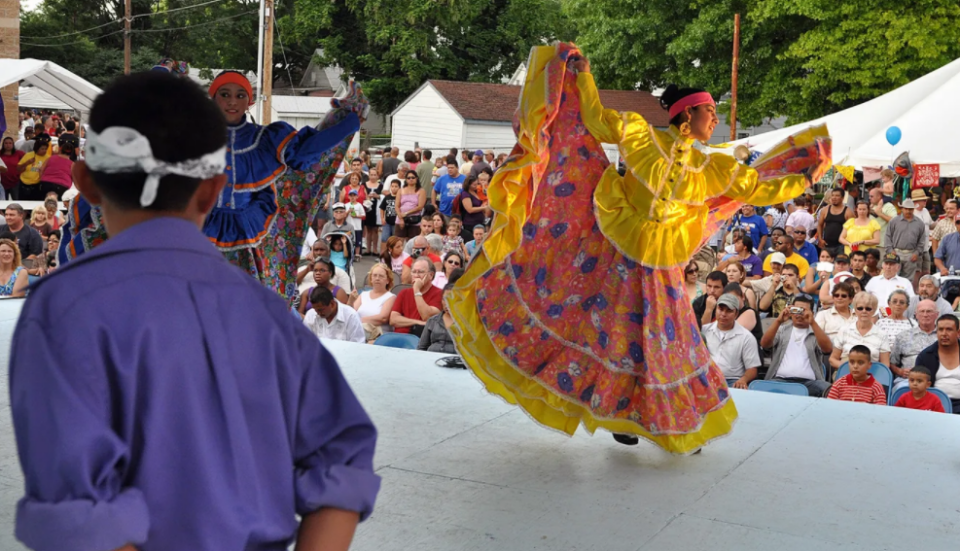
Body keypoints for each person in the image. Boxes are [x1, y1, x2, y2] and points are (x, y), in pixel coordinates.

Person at [10, 72, 378, 551]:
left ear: (86, 183)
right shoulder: (266, 311)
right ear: (213, 190)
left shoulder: (63, 308)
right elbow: (343, 459)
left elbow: (82, 512)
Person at [446, 45, 827, 453]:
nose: (715, 118)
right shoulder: (638, 133)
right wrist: (584, 75)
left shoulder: (715, 166)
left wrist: (806, 167)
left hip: (661, 263)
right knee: (611, 336)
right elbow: (594, 117)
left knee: (669, 342)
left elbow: (760, 185)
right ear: (687, 115)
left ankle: (669, 424)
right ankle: (623, 415)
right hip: (616, 249)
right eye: (709, 111)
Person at [760, 295, 832, 397]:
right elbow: (764, 344)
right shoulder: (781, 329)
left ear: (812, 313)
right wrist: (778, 321)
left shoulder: (816, 332)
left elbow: (827, 349)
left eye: (803, 310)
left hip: (809, 383)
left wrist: (812, 322)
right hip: (780, 380)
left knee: (829, 390)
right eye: (796, 310)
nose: (799, 314)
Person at [702, 293, 761, 389]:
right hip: (707, 379)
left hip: (732, 381)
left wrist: (743, 379)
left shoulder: (746, 337)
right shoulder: (705, 331)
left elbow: (752, 369)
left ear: (736, 314)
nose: (723, 314)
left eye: (729, 311)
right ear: (716, 309)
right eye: (720, 309)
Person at [829, 292, 890, 372]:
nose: (864, 311)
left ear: (874, 310)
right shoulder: (844, 330)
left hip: (872, 375)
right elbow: (833, 359)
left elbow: (885, 364)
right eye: (860, 308)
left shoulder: (882, 334)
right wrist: (851, 369)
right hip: (846, 374)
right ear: (855, 309)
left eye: (868, 308)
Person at [913, 314, 960, 412]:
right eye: (940, 329)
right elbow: (918, 385)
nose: (944, 333)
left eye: (949, 329)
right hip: (934, 405)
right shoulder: (925, 356)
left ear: (958, 332)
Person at [891, 299, 940, 391]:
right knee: (901, 390)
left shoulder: (943, 336)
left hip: (936, 381)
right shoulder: (903, 336)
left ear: (937, 314)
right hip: (908, 381)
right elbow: (892, 362)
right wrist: (900, 371)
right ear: (916, 314)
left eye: (929, 311)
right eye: (922, 311)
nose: (925, 315)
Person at [390, 256, 443, 335]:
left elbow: (426, 316)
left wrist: (417, 290)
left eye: (421, 272)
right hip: (399, 337)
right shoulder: (404, 293)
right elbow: (393, 320)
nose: (416, 275)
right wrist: (417, 322)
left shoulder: (439, 293)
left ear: (431, 275)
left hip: (420, 339)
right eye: (414, 272)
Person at [351, 263, 396, 342]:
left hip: (378, 336)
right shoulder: (363, 294)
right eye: (374, 275)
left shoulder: (391, 297)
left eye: (381, 276)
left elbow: (383, 318)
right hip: (359, 330)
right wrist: (351, 299)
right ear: (371, 279)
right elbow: (351, 313)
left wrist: (358, 320)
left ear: (388, 280)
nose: (377, 278)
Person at [884, 198, 926, 282]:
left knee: (908, 280)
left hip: (911, 253)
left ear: (913, 209)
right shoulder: (894, 221)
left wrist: (916, 253)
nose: (908, 211)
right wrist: (890, 250)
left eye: (910, 209)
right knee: (892, 277)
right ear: (902, 209)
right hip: (896, 252)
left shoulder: (919, 223)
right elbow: (888, 236)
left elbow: (921, 241)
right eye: (906, 209)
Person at [418, 283, 460, 353]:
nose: (447, 303)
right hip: (431, 358)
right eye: (444, 299)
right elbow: (422, 347)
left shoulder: (466, 324)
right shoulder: (432, 321)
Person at [38, 133, 77, 199]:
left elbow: (41, 169)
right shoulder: (72, 164)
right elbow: (75, 179)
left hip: (46, 183)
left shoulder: (51, 158)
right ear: (71, 153)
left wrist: (41, 180)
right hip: (62, 186)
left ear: (60, 150)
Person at [818, 187, 853, 257]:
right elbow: (819, 225)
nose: (834, 197)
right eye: (833, 195)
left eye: (837, 196)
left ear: (842, 198)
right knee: (825, 266)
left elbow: (852, 229)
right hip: (826, 245)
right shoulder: (825, 210)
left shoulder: (848, 212)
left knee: (840, 266)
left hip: (841, 246)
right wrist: (820, 239)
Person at [17, 134, 53, 201]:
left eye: (45, 149)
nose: (44, 151)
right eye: (42, 149)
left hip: (37, 186)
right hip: (24, 185)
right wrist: (27, 163)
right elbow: (18, 169)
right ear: (37, 148)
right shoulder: (28, 155)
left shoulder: (48, 158)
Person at [395, 170, 427, 239]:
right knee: (399, 240)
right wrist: (401, 218)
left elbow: (420, 207)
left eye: (413, 177)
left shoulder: (421, 191)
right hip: (401, 218)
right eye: (408, 178)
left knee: (413, 241)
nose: (411, 179)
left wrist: (407, 213)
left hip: (414, 219)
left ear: (416, 178)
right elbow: (397, 206)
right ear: (406, 179)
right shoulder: (400, 190)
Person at [456, 175, 488, 239]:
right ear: (468, 184)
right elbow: (470, 209)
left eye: (476, 184)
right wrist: (484, 208)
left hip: (480, 221)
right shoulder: (465, 194)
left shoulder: (476, 191)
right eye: (474, 185)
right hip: (470, 223)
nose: (476, 186)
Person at [361, 167, 383, 257]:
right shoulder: (364, 184)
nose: (373, 177)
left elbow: (383, 196)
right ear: (368, 175)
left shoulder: (381, 185)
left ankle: (375, 249)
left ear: (377, 176)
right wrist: (367, 197)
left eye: (375, 175)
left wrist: (378, 196)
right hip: (367, 208)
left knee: (375, 229)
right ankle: (368, 249)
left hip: (376, 208)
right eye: (371, 175)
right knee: (368, 229)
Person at [377, 179, 400, 253]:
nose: (394, 188)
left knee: (394, 239)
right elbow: (382, 208)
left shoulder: (400, 197)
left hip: (396, 222)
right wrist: (382, 218)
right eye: (392, 186)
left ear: (399, 187)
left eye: (396, 186)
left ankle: (393, 254)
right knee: (384, 238)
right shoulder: (387, 197)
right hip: (387, 222)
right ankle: (383, 254)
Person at [0, 136, 24, 200]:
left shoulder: (19, 153)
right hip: (2, 183)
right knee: (3, 202)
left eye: (10, 143)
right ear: (3, 144)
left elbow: (27, 160)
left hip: (16, 182)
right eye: (6, 143)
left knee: (16, 201)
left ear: (13, 144)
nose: (8, 145)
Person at [346, 189, 365, 259]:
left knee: (357, 242)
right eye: (351, 195)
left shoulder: (359, 205)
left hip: (357, 227)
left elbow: (363, 215)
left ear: (357, 197)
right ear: (348, 197)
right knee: (348, 240)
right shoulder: (346, 205)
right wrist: (348, 211)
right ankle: (349, 254)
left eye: (354, 195)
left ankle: (357, 254)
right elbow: (343, 215)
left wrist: (356, 216)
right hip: (348, 227)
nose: (352, 197)